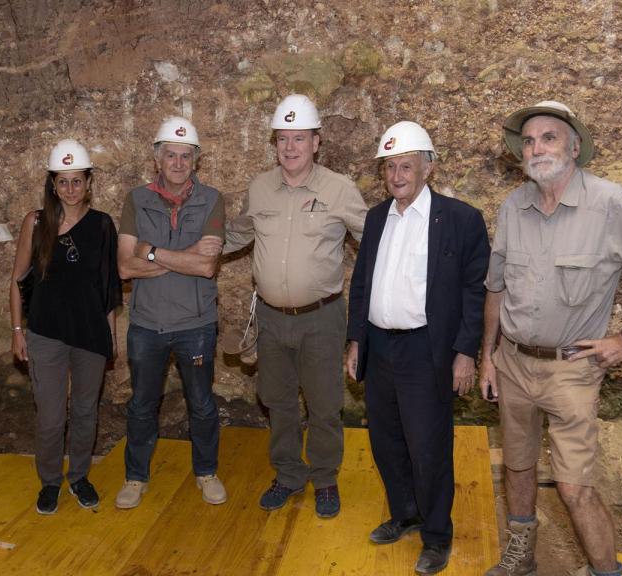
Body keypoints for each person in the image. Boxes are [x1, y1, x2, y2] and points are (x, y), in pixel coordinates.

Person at [479, 101, 622, 576]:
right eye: (528, 141)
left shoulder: (609, 203)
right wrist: (487, 356)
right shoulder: (513, 207)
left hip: (572, 369)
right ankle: (521, 556)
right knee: (517, 464)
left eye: (549, 138)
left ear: (574, 147)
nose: (537, 148)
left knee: (574, 486)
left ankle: (605, 571)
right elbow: (496, 287)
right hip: (513, 362)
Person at [346, 121, 490, 575]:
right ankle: (405, 513)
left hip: (426, 351)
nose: (397, 176)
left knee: (428, 447)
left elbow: (475, 291)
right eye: (389, 167)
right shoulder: (376, 218)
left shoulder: (460, 219)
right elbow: (362, 283)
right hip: (379, 347)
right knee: (386, 440)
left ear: (428, 168)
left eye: (406, 166)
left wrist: (465, 352)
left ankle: (436, 535)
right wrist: (356, 340)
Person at [225, 94, 366, 518]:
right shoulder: (260, 188)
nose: (290, 147)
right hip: (271, 319)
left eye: (299, 138)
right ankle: (288, 474)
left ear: (316, 142)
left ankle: (324, 478)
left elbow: (375, 240)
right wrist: (188, 249)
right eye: (283, 139)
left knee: (324, 404)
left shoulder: (339, 189)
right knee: (277, 400)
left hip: (321, 318)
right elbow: (237, 234)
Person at [114, 116, 227, 510]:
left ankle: (206, 472)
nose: (178, 163)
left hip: (196, 325)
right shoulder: (136, 200)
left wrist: (150, 252)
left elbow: (207, 267)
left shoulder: (212, 199)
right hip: (147, 324)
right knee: (142, 405)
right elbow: (124, 267)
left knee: (202, 404)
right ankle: (135, 477)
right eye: (171, 155)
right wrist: (184, 257)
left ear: (196, 160)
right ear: (157, 159)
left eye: (185, 156)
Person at [9, 139, 122, 515]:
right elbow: (17, 280)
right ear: (53, 185)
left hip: (90, 332)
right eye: (63, 181)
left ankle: (79, 477)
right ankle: (50, 481)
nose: (70, 188)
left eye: (77, 180)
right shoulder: (36, 222)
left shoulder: (103, 225)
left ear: (88, 183)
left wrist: (111, 337)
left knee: (86, 411)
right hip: (45, 333)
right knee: (51, 417)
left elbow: (108, 288)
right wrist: (17, 331)